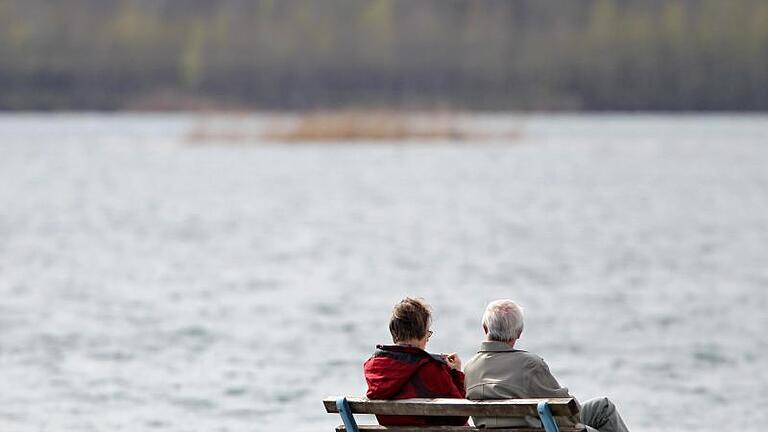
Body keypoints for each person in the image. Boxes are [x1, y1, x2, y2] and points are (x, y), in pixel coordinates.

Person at [464, 299, 629, 432]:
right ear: (519, 332)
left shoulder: (469, 368)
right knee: (602, 409)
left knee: (600, 406)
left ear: (485, 328)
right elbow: (569, 411)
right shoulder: (530, 364)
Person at [363, 297, 468, 426]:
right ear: (422, 333)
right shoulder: (430, 368)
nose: (427, 339)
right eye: (428, 333)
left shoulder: (374, 368)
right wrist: (456, 373)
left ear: (394, 331)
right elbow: (461, 416)